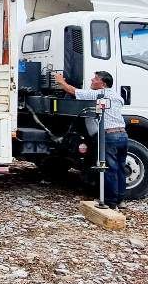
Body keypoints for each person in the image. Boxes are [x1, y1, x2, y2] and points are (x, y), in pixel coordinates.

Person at [53, 70, 128, 210]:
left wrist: (60, 81)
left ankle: (110, 202)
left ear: (103, 84)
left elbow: (73, 91)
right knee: (120, 168)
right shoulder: (117, 96)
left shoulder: (99, 94)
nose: (92, 80)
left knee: (109, 169)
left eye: (96, 79)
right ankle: (120, 200)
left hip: (109, 136)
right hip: (123, 135)